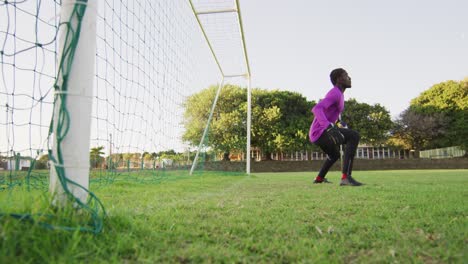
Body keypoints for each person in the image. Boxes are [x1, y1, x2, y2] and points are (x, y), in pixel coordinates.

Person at [309, 68, 363, 186]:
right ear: (339, 79)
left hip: (316, 134)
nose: (349, 78)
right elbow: (317, 109)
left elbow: (334, 116)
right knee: (354, 136)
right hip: (321, 132)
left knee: (334, 155)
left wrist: (340, 125)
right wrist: (328, 127)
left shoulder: (340, 95)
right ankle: (346, 178)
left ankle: (319, 178)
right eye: (346, 75)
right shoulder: (335, 93)